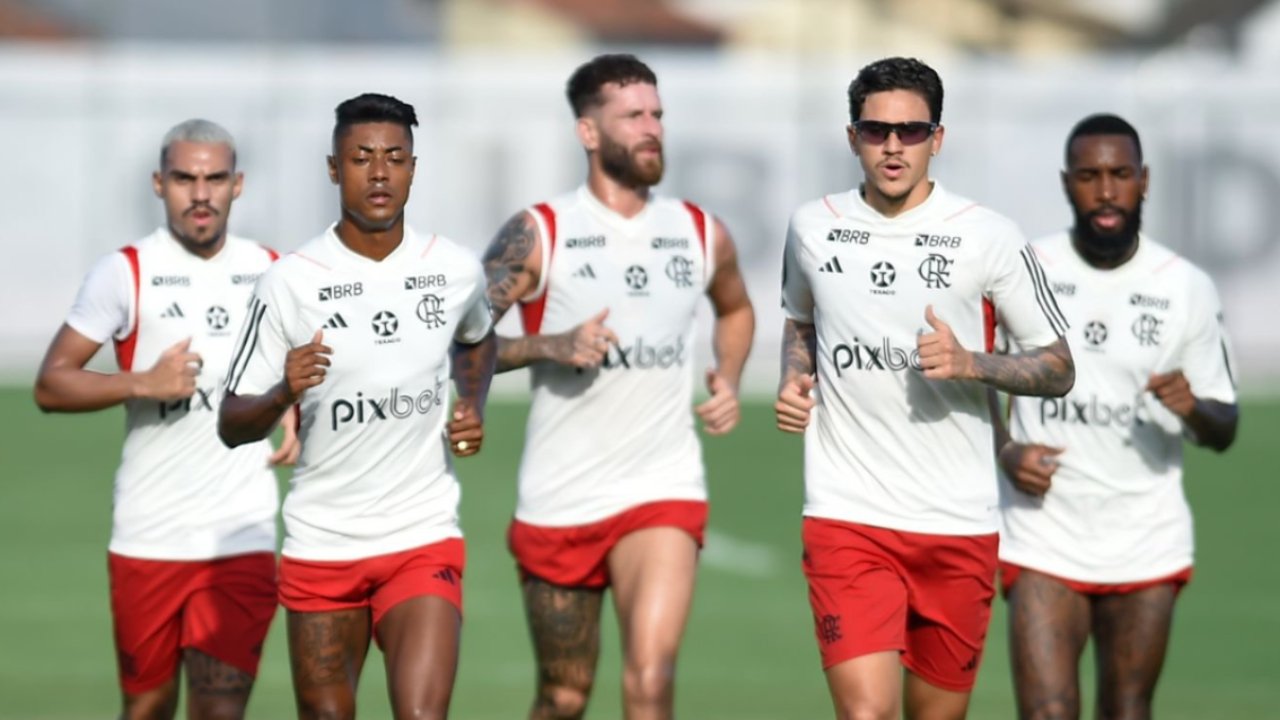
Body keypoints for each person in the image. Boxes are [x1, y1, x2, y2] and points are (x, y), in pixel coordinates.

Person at [775, 56, 1077, 720]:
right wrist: (794, 378)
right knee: (866, 714)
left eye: (911, 132)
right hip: (847, 515)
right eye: (876, 130)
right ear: (852, 135)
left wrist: (974, 362)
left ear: (937, 138)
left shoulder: (988, 237)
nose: (892, 146)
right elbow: (801, 321)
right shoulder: (811, 227)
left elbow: (1058, 367)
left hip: (958, 523)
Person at [480, 53, 755, 720]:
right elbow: (461, 340)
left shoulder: (697, 231)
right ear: (589, 132)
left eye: (657, 114)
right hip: (561, 497)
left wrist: (729, 376)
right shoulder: (539, 232)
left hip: (662, 488)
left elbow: (737, 308)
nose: (651, 128)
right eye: (632, 115)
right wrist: (550, 344)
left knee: (651, 679)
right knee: (565, 695)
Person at [218, 93, 496, 720]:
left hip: (422, 537)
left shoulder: (452, 270)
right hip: (323, 545)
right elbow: (232, 423)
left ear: (413, 168)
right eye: (361, 158)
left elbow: (478, 340)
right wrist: (285, 390)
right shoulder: (290, 282)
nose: (378, 173)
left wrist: (472, 403)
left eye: (394, 158)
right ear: (332, 168)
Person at [33, 119, 295, 720]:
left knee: (220, 710)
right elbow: (51, 382)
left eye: (214, 178)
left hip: (241, 534)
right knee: (146, 707)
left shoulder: (274, 271)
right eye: (184, 178)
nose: (200, 193)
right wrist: (141, 382)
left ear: (238, 185)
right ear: (159, 184)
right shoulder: (124, 272)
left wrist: (295, 409)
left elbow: (310, 361)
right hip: (148, 534)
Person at [993, 113, 1239, 720]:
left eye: (1121, 174)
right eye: (1090, 175)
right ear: (1066, 183)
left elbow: (1225, 426)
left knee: (1127, 710)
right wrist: (1005, 449)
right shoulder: (1027, 270)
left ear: (1144, 180)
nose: (1106, 191)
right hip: (1043, 534)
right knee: (1048, 711)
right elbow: (976, 382)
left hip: (1145, 537)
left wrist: (1194, 408)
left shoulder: (1185, 287)